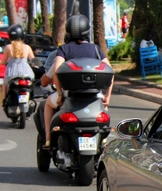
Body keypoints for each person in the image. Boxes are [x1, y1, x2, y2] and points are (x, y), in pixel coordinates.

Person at [43, 15, 112, 149]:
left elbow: (57, 70)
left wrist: (59, 93)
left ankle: (48, 139)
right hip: (94, 97)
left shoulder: (64, 49)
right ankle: (104, 139)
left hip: (69, 96)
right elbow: (110, 71)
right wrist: (108, 96)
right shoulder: (95, 49)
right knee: (104, 109)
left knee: (47, 104)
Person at [0, 24, 35, 106]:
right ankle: (31, 98)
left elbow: (4, 62)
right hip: (26, 72)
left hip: (12, 73)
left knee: (5, 84)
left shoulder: (8, 47)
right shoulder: (27, 47)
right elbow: (33, 60)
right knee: (31, 83)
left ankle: (4, 101)